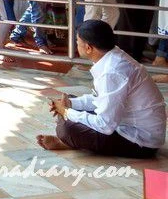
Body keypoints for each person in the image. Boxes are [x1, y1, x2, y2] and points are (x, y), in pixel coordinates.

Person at [37, 20, 165, 157]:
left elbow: (105, 125)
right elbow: (101, 100)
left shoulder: (112, 71)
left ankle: (68, 141)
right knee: (71, 101)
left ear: (88, 48)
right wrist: (69, 104)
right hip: (123, 122)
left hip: (141, 142)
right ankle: (72, 139)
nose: (76, 44)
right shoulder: (113, 55)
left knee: (67, 129)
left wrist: (67, 112)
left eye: (77, 41)